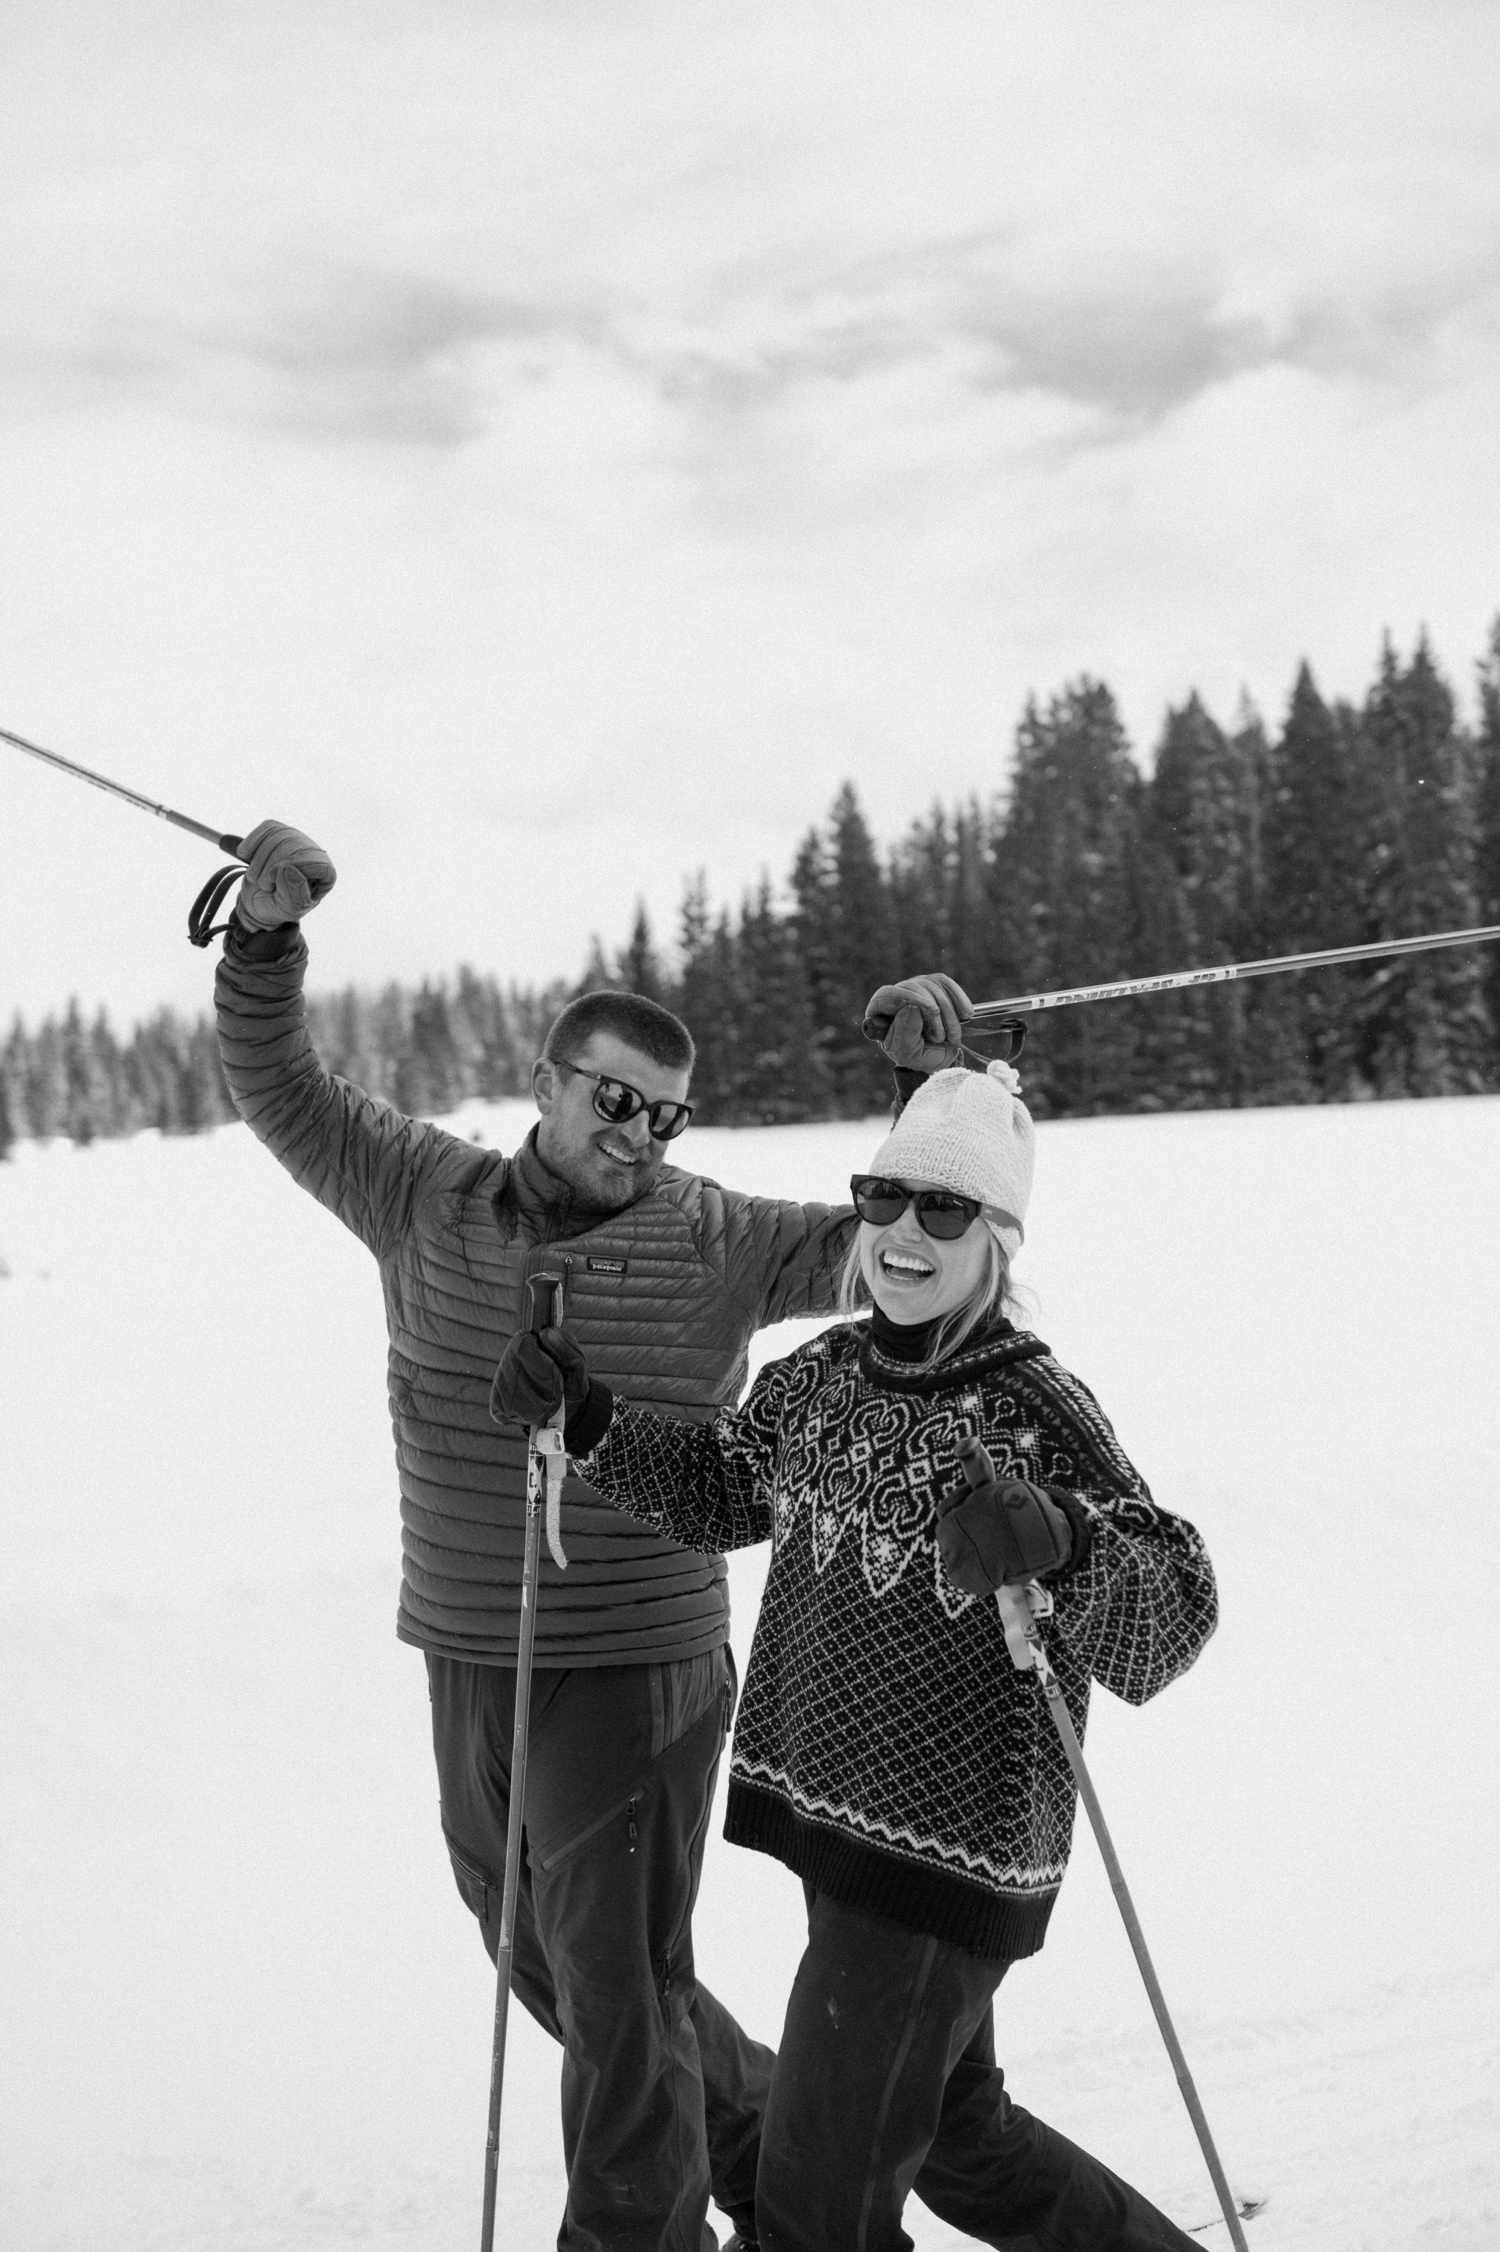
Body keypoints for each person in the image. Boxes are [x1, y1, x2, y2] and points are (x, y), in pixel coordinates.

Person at [208, 816, 974, 2252]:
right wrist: (263, 937)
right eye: (616, 1103)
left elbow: (906, 1256)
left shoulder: (716, 1237)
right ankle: (766, 2165)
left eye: (667, 1114)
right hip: (467, 1657)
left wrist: (947, 1093)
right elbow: (278, 1082)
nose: (641, 1136)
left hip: (636, 1671)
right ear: (551, 1085)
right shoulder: (425, 1194)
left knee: (617, 1998)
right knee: (558, 1967)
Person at [494, 1057, 1220, 2251]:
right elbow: (726, 1487)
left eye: (946, 1209)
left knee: (816, 2206)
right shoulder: (826, 1375)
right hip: (844, 1830)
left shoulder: (1033, 1406)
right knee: (960, 2136)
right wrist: (587, 1419)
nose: (904, 1233)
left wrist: (1069, 1536)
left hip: (948, 1859)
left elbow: (1172, 1609)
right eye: (883, 1198)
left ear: (999, 1238)